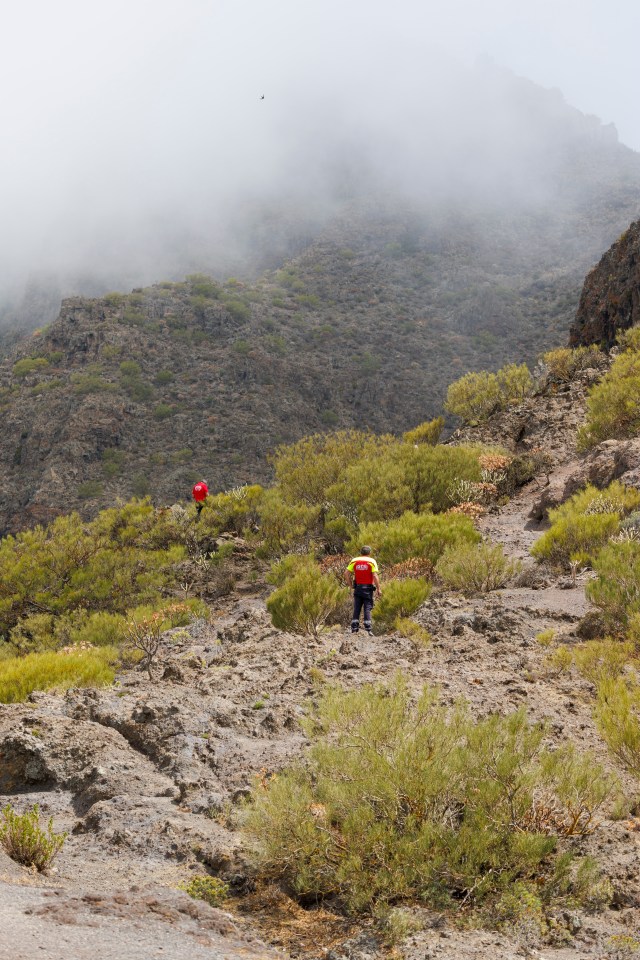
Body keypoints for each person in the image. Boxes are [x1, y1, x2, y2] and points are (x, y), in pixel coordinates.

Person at [345, 546, 382, 635]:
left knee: (357, 607)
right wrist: (378, 588)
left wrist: (350, 585)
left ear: (361, 552)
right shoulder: (371, 561)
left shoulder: (354, 561)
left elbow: (346, 573)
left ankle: (354, 628)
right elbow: (375, 576)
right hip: (368, 588)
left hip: (358, 587)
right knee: (367, 607)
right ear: (369, 553)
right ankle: (368, 628)